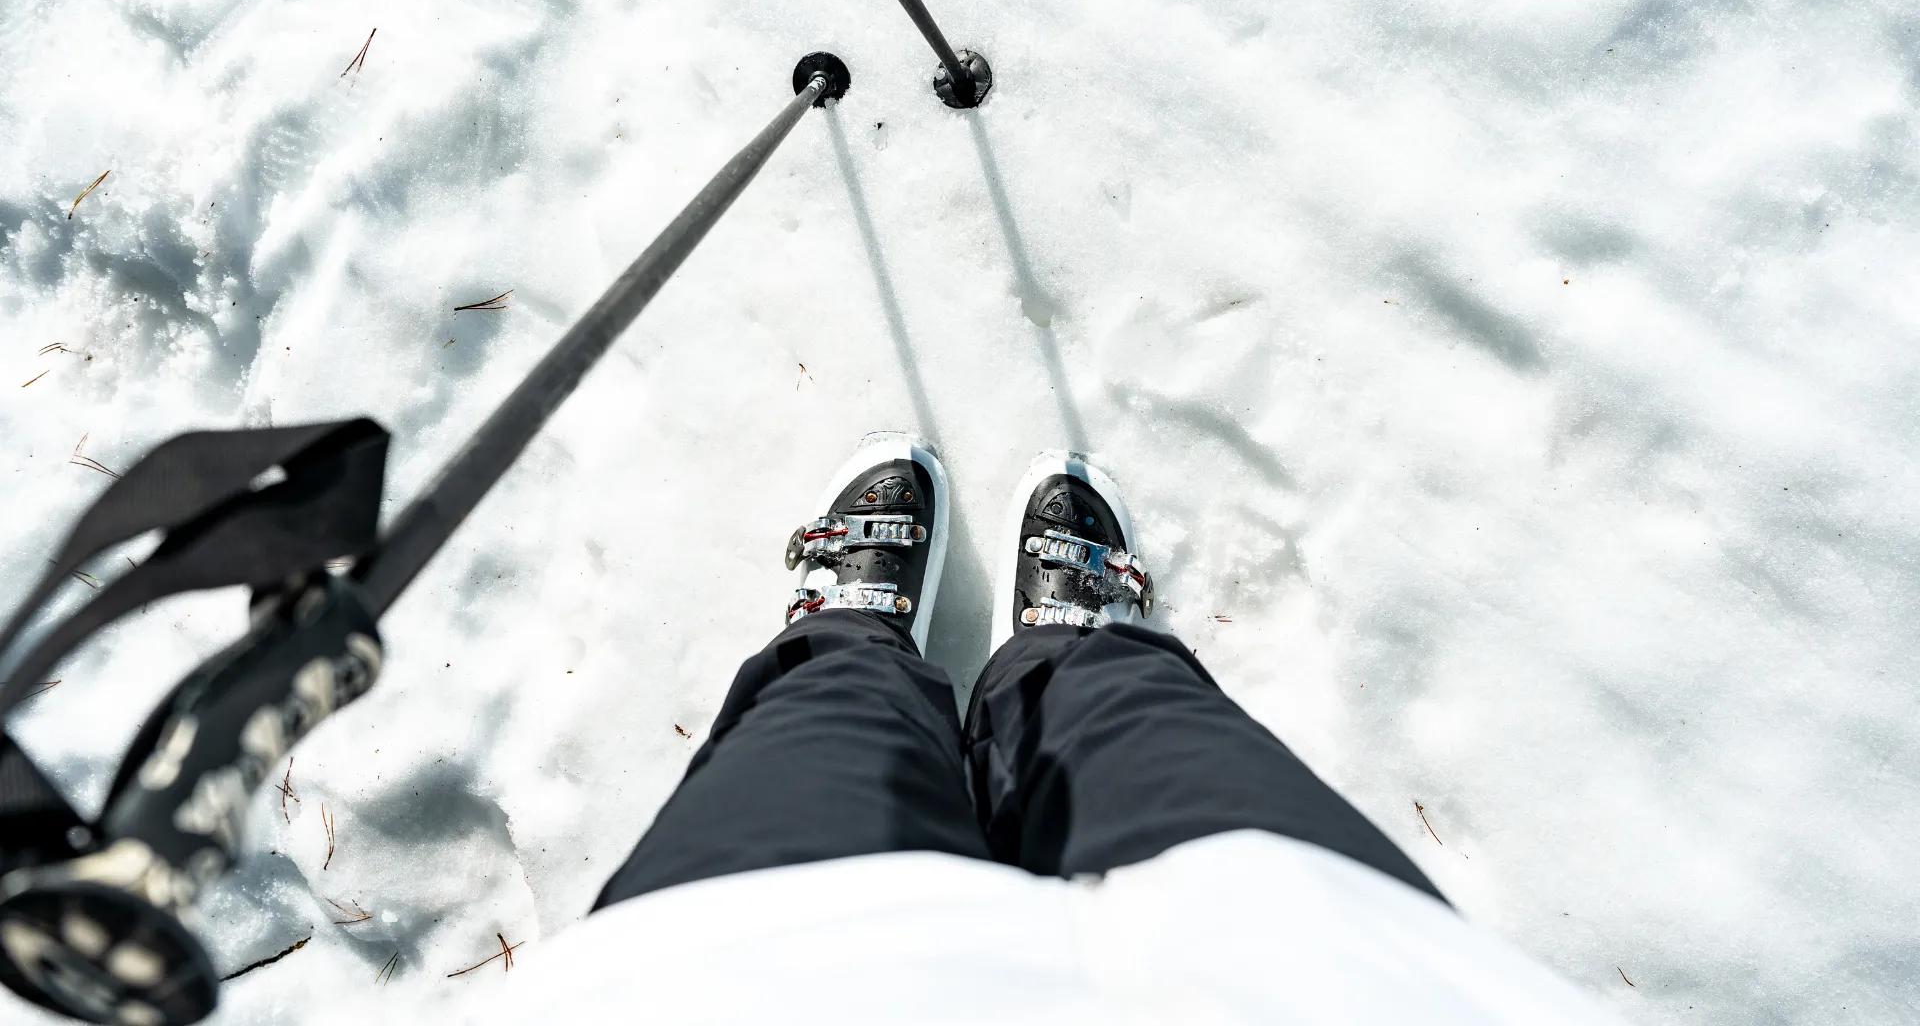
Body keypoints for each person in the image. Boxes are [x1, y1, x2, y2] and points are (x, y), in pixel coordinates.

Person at [484, 434, 1621, 1025]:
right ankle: (1065, 661)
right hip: (1289, 976)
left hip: (740, 979)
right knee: (1148, 728)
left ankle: (856, 643)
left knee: (818, 728)